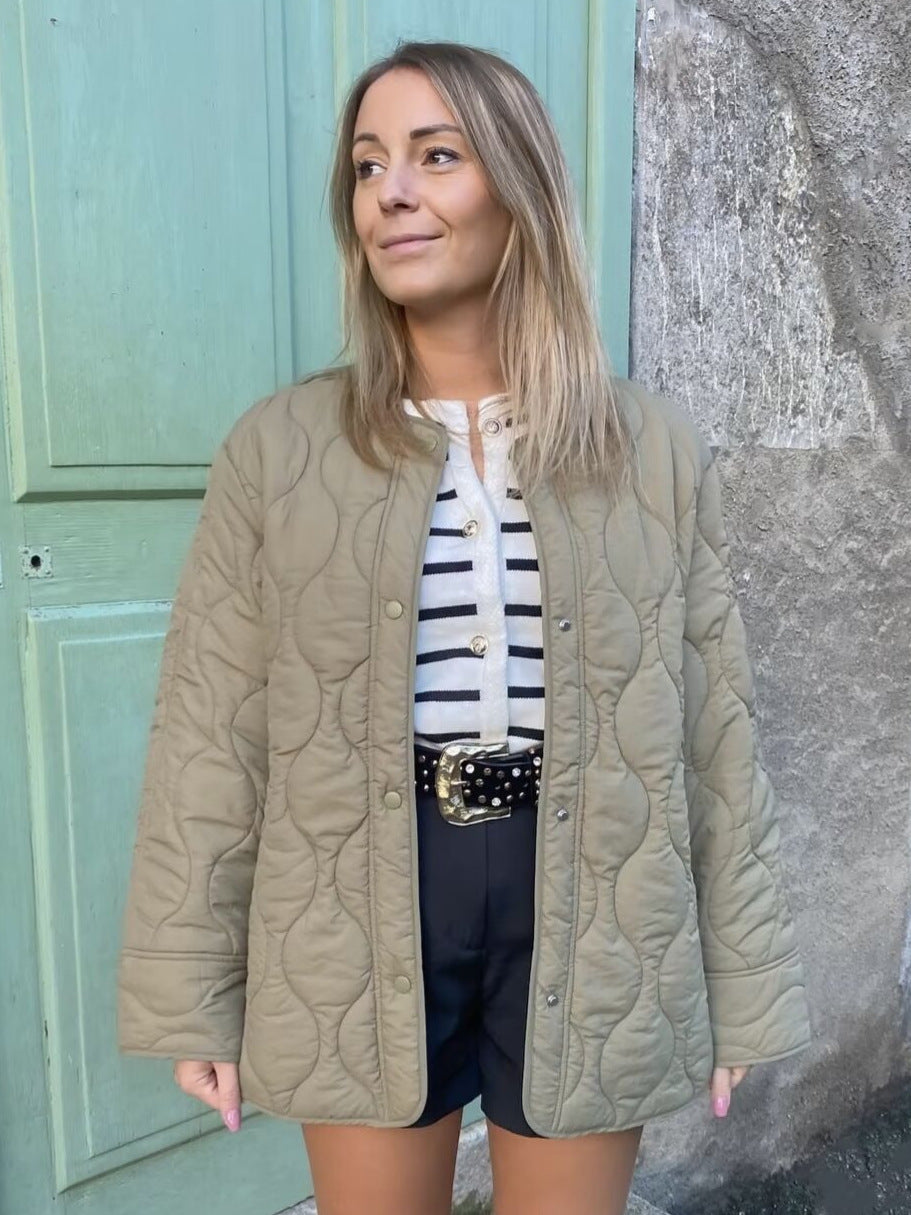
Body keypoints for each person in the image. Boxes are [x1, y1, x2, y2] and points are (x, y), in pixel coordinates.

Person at [117, 39, 812, 1215]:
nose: (390, 191)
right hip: (353, 904)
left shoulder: (648, 451)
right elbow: (210, 735)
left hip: (597, 902)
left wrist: (743, 988)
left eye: (435, 156)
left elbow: (712, 736)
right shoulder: (279, 451)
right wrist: (190, 989)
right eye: (367, 164)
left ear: (518, 184)